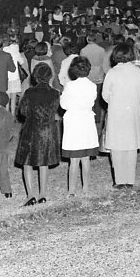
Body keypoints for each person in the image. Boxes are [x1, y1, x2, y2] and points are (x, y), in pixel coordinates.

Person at [15, 62, 61, 205]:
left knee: (27, 163)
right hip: (48, 130)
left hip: (31, 129)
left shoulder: (29, 92)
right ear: (49, 77)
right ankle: (42, 194)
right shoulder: (55, 93)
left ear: (35, 76)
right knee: (44, 163)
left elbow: (22, 111)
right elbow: (56, 111)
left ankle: (30, 195)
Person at [101, 41, 140, 189]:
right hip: (132, 110)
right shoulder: (137, 71)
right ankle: (129, 179)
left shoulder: (112, 73)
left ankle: (119, 180)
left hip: (116, 111)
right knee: (131, 145)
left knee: (117, 145)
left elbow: (105, 95)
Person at [59, 56, 100, 195]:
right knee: (86, 159)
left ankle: (71, 190)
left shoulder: (70, 86)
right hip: (87, 121)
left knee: (74, 160)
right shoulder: (92, 86)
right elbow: (92, 102)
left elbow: (63, 104)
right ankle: (86, 188)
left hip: (73, 122)